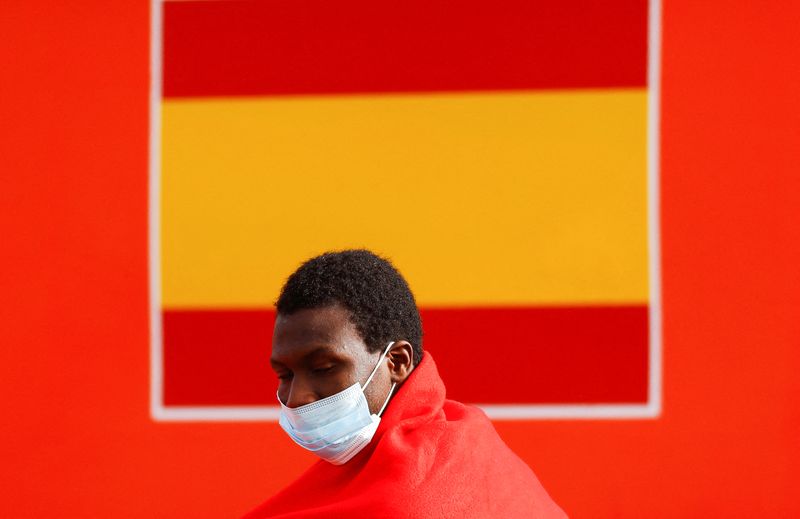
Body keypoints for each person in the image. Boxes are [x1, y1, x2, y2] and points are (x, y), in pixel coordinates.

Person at [243, 249, 566, 518]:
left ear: (396, 361)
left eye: (324, 367)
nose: (295, 397)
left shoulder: (409, 500)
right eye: (284, 375)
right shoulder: (468, 437)